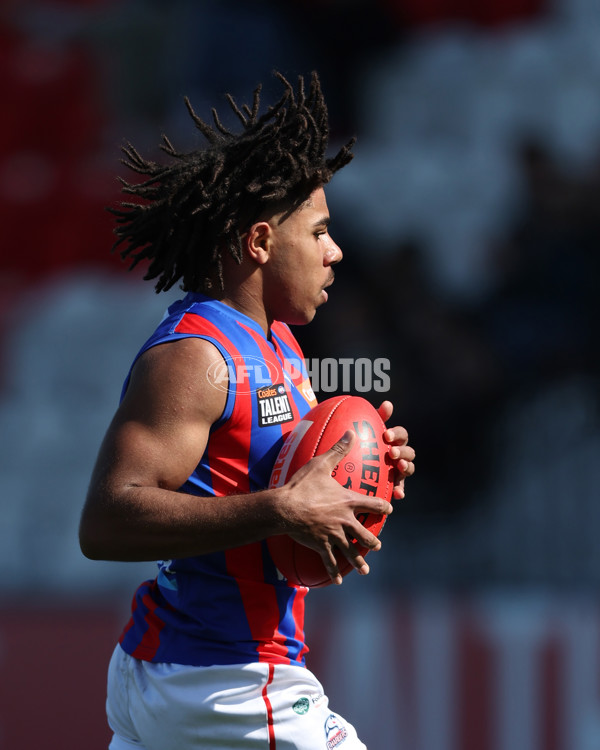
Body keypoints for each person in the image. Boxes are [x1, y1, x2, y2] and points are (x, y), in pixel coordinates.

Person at [79, 71, 415, 750]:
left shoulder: (282, 346)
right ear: (261, 243)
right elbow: (107, 521)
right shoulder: (195, 358)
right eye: (319, 232)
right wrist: (284, 509)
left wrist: (364, 479)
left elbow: (282, 494)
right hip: (225, 682)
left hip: (183, 671)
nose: (335, 252)